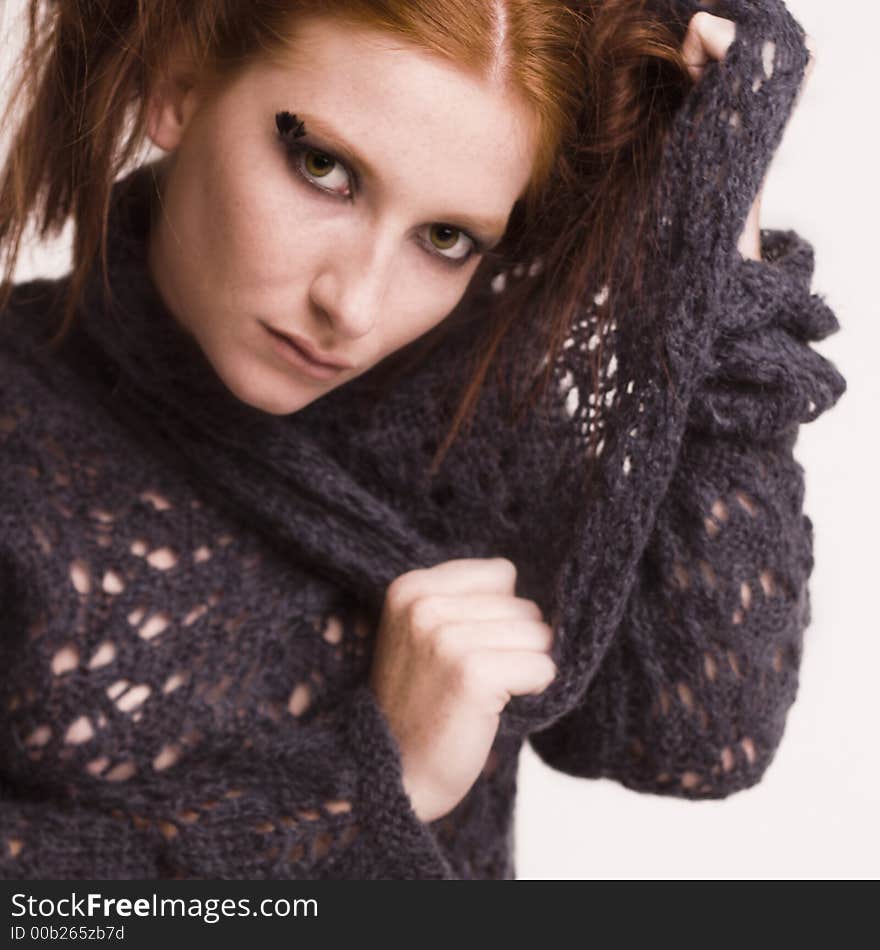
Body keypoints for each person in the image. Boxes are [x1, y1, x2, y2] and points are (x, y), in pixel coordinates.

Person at [0, 0, 845, 880]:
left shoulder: (468, 431)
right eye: (323, 167)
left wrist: (722, 227)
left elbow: (695, 735)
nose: (354, 307)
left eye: (446, 238)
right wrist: (370, 784)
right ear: (177, 84)